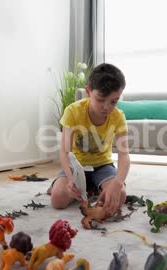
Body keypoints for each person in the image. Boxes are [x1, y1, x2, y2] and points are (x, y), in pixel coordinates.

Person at [49, 63, 130, 215]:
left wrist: (118, 183)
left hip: (103, 165)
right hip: (76, 166)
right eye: (100, 99)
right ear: (88, 92)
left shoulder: (118, 116)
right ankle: (85, 185)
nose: (106, 107)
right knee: (58, 199)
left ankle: (92, 185)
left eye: (113, 101)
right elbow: (65, 153)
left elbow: (124, 155)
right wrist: (70, 178)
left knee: (120, 196)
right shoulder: (73, 111)